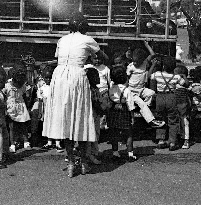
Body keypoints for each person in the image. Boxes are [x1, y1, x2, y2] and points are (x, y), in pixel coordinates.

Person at [43, 12, 107, 178]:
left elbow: (59, 57)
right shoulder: (88, 39)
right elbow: (101, 57)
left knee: (66, 120)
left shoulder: (62, 40)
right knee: (81, 118)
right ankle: (84, 162)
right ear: (83, 26)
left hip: (59, 77)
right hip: (77, 77)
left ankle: (71, 162)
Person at [150, 56, 189, 151]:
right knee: (173, 120)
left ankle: (161, 140)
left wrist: (153, 65)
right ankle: (172, 142)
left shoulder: (157, 74)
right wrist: (183, 76)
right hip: (171, 97)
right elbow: (186, 84)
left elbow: (149, 76)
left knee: (159, 118)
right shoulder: (176, 77)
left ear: (163, 66)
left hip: (160, 97)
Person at [126, 47, 165, 129]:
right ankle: (151, 121)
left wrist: (146, 44)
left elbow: (152, 54)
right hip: (132, 91)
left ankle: (144, 110)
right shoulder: (130, 67)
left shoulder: (145, 64)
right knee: (142, 103)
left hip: (141, 89)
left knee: (151, 93)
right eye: (134, 61)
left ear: (142, 60)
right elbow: (126, 79)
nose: (135, 63)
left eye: (137, 62)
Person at [107, 65, 136, 162]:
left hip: (113, 111)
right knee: (129, 134)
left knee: (114, 133)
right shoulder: (127, 90)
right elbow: (130, 105)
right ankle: (130, 154)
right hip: (124, 112)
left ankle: (115, 152)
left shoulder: (111, 89)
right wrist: (132, 117)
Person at [3, 62, 31, 153]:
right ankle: (12, 144)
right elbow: (3, 97)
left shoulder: (22, 86)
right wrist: (5, 109)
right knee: (12, 127)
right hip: (11, 108)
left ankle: (26, 142)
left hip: (21, 107)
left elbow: (25, 96)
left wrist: (27, 106)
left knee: (23, 125)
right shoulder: (7, 86)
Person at [84, 66, 103, 164]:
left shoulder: (94, 89)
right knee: (93, 134)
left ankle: (93, 152)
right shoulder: (91, 90)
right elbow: (95, 103)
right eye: (96, 76)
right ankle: (91, 154)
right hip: (92, 115)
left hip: (94, 115)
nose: (98, 78)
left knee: (95, 134)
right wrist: (102, 110)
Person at [173, 64, 192, 149]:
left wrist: (183, 77)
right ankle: (179, 139)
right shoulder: (174, 83)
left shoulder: (184, 84)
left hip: (183, 105)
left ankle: (186, 140)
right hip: (177, 104)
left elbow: (187, 85)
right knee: (179, 122)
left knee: (184, 122)